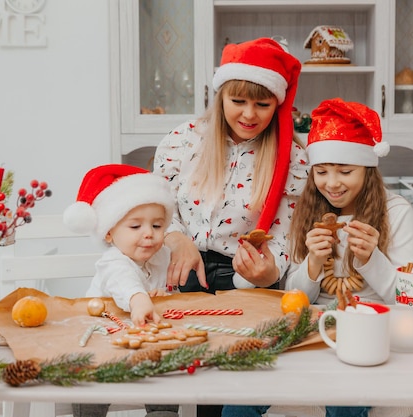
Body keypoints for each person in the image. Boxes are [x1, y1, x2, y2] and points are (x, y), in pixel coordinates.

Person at [222, 98, 413, 417]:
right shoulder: (308, 210)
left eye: (345, 171)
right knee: (242, 393)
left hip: (367, 331)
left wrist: (371, 260)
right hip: (311, 329)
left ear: (368, 170)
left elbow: (408, 298)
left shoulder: (396, 213)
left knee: (344, 399)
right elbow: (297, 297)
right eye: (322, 172)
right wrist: (313, 262)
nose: (332, 183)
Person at [153, 37, 307, 417]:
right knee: (161, 372)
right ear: (220, 96)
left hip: (241, 286)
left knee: (220, 393)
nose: (249, 114)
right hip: (177, 273)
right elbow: (156, 205)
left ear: (279, 103)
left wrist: (270, 271)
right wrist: (176, 238)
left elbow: (288, 236)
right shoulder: (183, 140)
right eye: (238, 101)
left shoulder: (295, 159)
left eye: (262, 103)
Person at [63, 164, 180, 417]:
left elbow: (167, 293)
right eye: (135, 227)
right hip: (100, 339)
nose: (149, 234)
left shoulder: (162, 257)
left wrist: (164, 296)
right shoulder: (112, 260)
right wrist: (139, 299)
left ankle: (163, 412)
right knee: (90, 376)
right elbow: (124, 281)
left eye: (157, 226)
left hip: (142, 341)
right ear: (108, 233)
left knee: (165, 367)